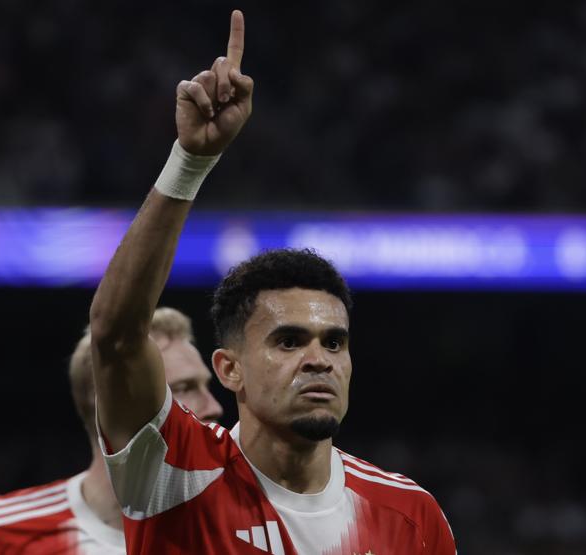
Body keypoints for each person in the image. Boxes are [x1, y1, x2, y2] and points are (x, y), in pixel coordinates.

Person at [87, 10, 455, 554]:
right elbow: (116, 335)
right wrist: (189, 162)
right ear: (228, 369)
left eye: (335, 342)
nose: (319, 359)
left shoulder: (411, 518)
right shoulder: (173, 472)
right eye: (288, 340)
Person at [0, 308, 223, 555]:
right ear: (116, 405)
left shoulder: (240, 535)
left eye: (206, 387)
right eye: (184, 389)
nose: (213, 407)